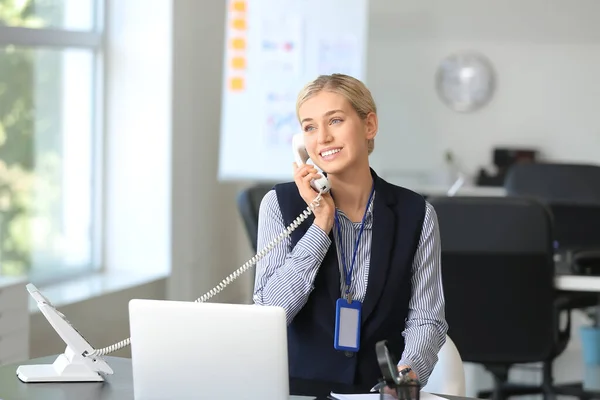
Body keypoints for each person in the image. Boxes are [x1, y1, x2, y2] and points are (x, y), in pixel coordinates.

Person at [253, 73, 448, 391]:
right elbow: (269, 314)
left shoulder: (417, 214)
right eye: (310, 127)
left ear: (369, 125)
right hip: (295, 390)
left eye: (336, 121)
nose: (323, 138)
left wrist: (405, 378)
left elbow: (427, 318)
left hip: (377, 391)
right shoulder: (278, 205)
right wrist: (320, 224)